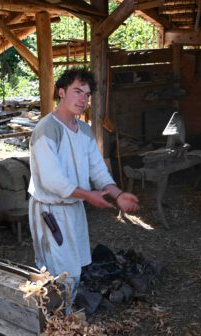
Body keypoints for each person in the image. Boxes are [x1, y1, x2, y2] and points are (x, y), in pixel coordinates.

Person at [27, 68, 139, 307]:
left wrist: (118, 194)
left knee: (74, 268)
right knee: (58, 272)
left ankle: (64, 317)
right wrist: (88, 195)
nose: (83, 99)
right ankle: (55, 319)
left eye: (87, 95)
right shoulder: (47, 129)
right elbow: (52, 180)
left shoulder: (84, 130)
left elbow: (97, 169)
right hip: (51, 211)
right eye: (77, 91)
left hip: (74, 207)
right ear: (61, 92)